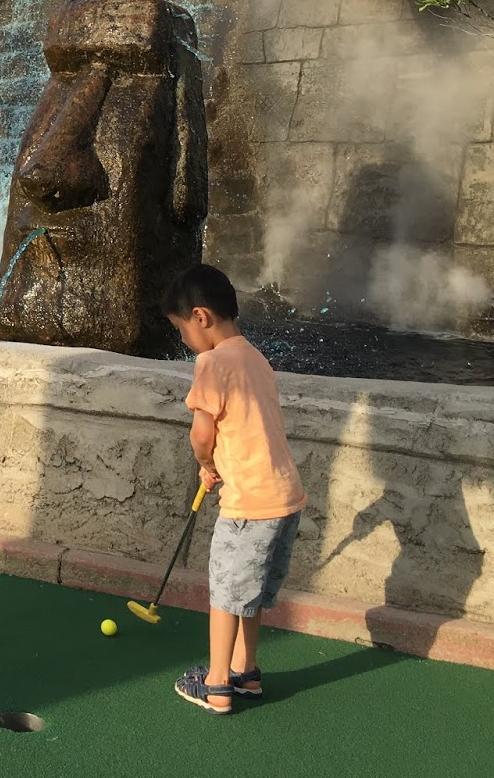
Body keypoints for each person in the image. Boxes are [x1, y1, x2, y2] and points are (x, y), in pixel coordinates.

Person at [162, 263, 306, 715]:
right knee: (251, 592)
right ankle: (246, 672)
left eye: (181, 329)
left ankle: (218, 683)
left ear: (201, 317)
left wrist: (206, 464)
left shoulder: (211, 362)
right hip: (285, 498)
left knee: (225, 592)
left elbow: (202, 435)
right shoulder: (255, 357)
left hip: (248, 504)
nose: (184, 340)